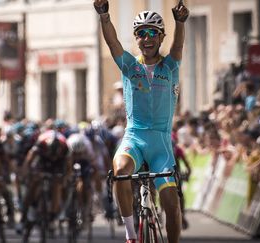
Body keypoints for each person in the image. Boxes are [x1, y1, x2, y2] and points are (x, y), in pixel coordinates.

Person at [93, 0, 189, 242]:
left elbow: (178, 45)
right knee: (121, 170)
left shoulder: (170, 66)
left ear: (160, 37)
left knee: (172, 204)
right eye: (141, 34)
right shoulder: (129, 66)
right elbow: (112, 42)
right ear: (136, 38)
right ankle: (131, 234)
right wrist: (105, 15)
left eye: (152, 33)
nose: (147, 38)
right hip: (134, 138)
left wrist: (179, 22)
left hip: (161, 145)